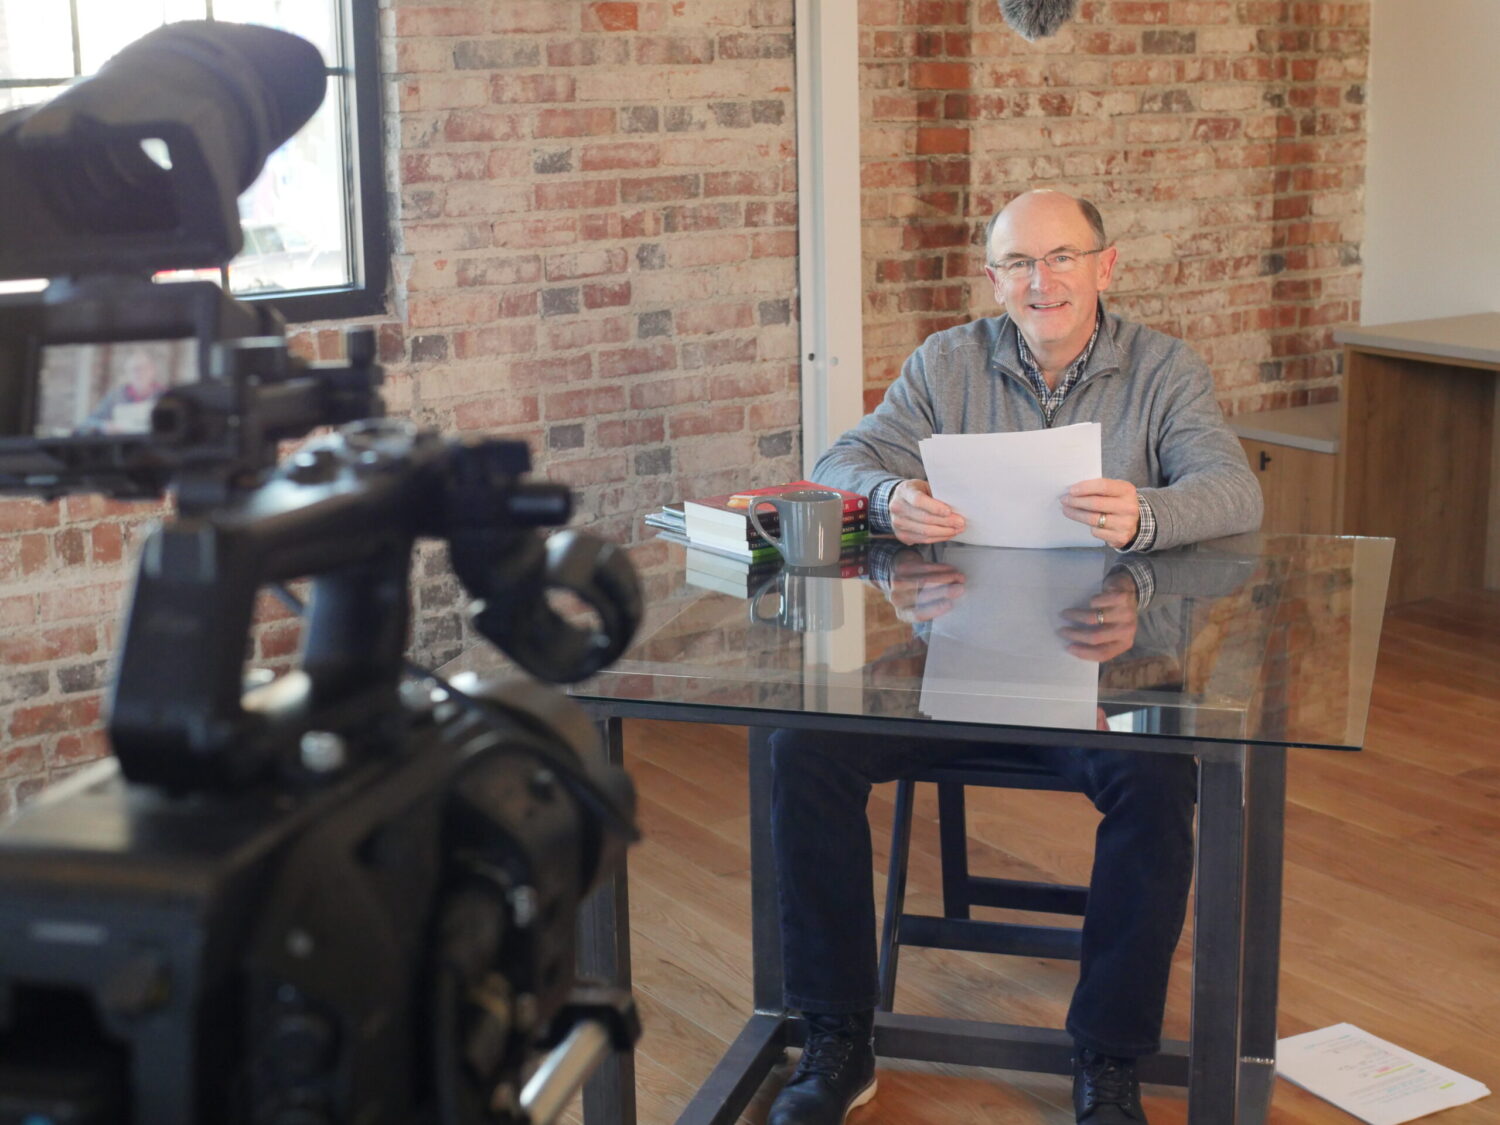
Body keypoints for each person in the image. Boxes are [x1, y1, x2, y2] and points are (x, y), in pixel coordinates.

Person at [765, 189, 1263, 1125]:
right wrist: (888, 495)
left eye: (1063, 258)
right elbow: (836, 461)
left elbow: (1232, 489)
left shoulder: (1164, 368)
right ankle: (836, 1034)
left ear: (1105, 266)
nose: (1044, 282)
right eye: (1020, 265)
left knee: (1158, 784)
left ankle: (1108, 1058)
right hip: (955, 662)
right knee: (802, 745)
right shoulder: (946, 360)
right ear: (994, 279)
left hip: (1109, 668)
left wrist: (1148, 516)